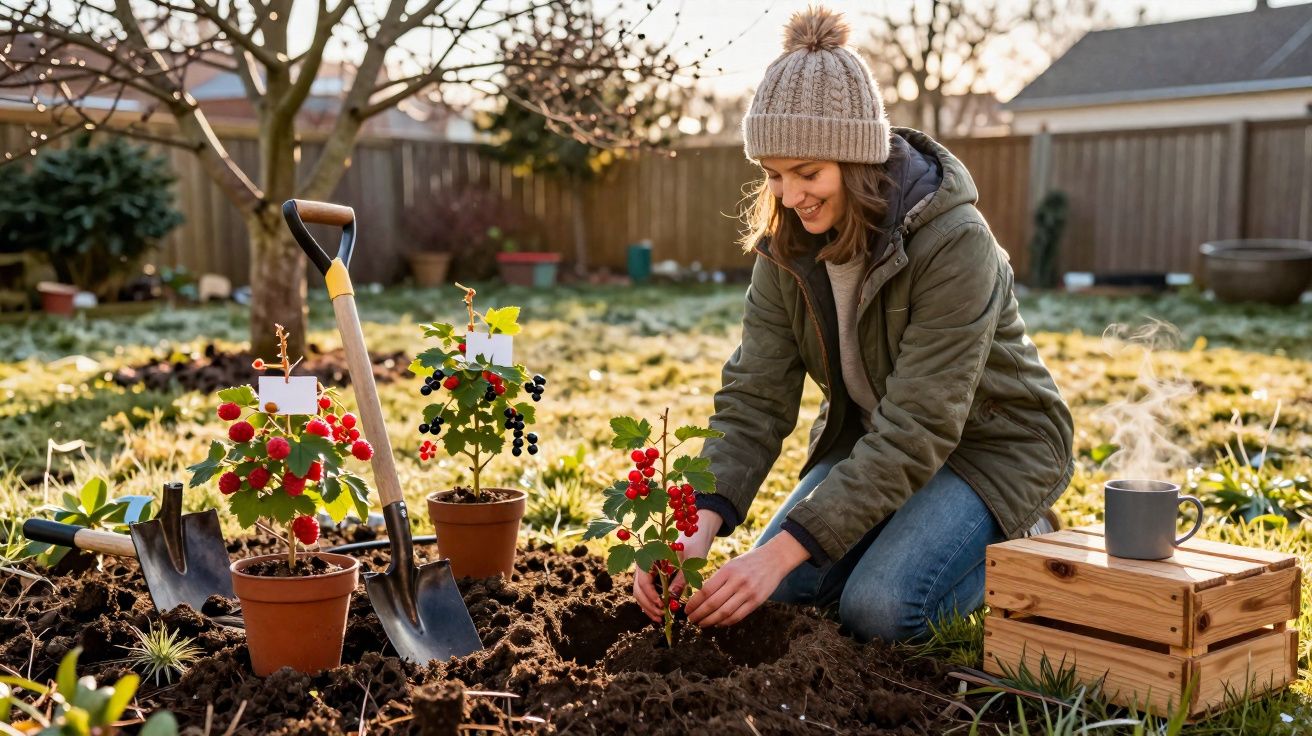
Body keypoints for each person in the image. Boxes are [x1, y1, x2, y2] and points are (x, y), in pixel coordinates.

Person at [632, 6, 1074, 643]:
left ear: (858, 160)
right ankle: (901, 537)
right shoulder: (786, 246)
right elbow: (754, 395)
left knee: (882, 609)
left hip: (992, 448)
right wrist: (696, 522)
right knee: (779, 592)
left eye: (807, 173)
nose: (789, 196)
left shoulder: (954, 243)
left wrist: (787, 547)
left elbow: (922, 424)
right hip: (874, 440)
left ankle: (1021, 531)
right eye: (775, 175)